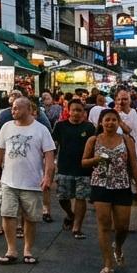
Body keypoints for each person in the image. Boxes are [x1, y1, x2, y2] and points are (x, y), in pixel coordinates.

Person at [0, 96, 56, 265]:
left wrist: (47, 177)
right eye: (13, 107)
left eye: (17, 108)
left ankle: (28, 249)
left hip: (32, 182)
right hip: (8, 181)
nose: (13, 110)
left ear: (28, 109)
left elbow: (49, 155)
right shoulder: (6, 127)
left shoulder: (41, 130)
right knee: (7, 214)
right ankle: (11, 249)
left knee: (30, 218)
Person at [81, 109, 137, 273]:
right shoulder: (94, 140)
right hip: (100, 185)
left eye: (114, 120)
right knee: (104, 225)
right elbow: (84, 162)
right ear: (101, 122)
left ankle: (118, 246)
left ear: (118, 122)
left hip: (122, 185)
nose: (110, 123)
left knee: (122, 226)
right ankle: (107, 262)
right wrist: (96, 159)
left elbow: (134, 164)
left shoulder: (126, 140)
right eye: (107, 120)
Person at [52, 100, 96, 239]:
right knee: (63, 197)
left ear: (84, 112)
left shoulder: (89, 128)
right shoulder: (60, 126)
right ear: (68, 111)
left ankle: (77, 227)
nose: (76, 113)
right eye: (74, 110)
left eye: (79, 110)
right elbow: (54, 145)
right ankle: (70, 214)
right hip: (64, 168)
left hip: (83, 169)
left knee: (81, 198)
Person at [113, 90, 137, 236]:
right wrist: (117, 119)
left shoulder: (136, 112)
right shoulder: (112, 116)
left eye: (125, 99)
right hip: (121, 157)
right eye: (119, 99)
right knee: (121, 190)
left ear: (130, 100)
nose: (122, 102)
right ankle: (123, 221)